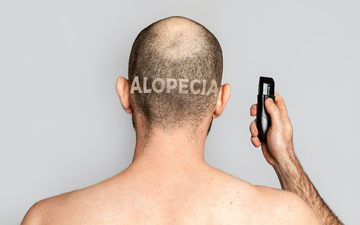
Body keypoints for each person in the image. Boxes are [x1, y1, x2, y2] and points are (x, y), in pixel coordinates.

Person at [22, 16, 341, 224]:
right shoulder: (283, 217)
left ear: (125, 94)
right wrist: (287, 162)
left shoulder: (46, 219)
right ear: (220, 100)